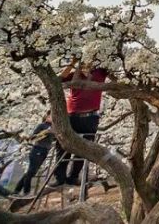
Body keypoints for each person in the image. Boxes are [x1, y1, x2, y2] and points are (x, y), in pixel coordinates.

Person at [52, 59, 109, 187]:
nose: (86, 66)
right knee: (62, 145)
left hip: (90, 117)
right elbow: (59, 79)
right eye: (82, 63)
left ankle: (73, 177)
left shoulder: (100, 72)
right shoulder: (75, 74)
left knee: (84, 148)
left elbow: (111, 61)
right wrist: (72, 63)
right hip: (71, 116)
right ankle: (60, 177)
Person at [13, 114, 54, 194]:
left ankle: (17, 190)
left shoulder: (53, 127)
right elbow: (33, 137)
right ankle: (26, 191)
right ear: (45, 117)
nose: (51, 118)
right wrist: (44, 133)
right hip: (37, 150)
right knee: (31, 171)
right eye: (49, 116)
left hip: (45, 151)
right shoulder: (42, 125)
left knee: (32, 172)